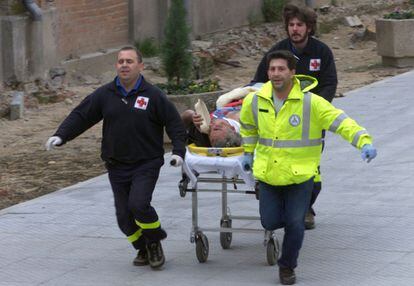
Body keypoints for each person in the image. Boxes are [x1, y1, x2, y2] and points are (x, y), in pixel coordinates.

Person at [240, 50, 376, 285]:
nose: (275, 74)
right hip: (269, 174)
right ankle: (283, 220)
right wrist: (248, 153)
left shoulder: (310, 102)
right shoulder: (255, 100)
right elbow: (248, 127)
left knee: (295, 223)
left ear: (293, 73)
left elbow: (341, 121)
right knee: (270, 222)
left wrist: (363, 140)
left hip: (300, 175)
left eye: (281, 69)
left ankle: (287, 267)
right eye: (272, 69)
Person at [45, 46, 186, 269]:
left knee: (138, 204)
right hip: (116, 164)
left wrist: (179, 152)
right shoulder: (105, 94)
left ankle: (154, 241)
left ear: (141, 66)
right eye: (120, 61)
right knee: (124, 218)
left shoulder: (153, 95)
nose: (124, 65)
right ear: (116, 66)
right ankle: (141, 247)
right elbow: (82, 115)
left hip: (146, 162)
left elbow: (175, 124)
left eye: (129, 61)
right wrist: (61, 135)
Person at [251, 4, 338, 229]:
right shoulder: (276, 53)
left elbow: (329, 84)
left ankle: (306, 207)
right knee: (280, 170)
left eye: (300, 25)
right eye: (291, 25)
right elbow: (258, 83)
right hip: (279, 123)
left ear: (309, 28)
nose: (295, 29)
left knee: (311, 173)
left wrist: (316, 110)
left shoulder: (322, 52)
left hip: (309, 123)